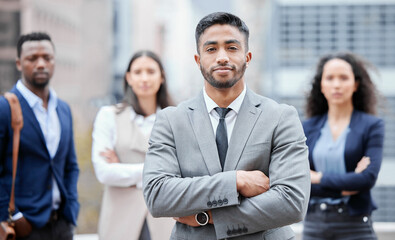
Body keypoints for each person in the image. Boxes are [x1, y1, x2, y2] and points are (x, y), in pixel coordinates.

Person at [143, 12, 311, 240]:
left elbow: (292, 201)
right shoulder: (171, 121)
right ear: (198, 59)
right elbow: (158, 195)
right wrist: (236, 181)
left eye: (232, 48)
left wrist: (207, 217)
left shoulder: (281, 117)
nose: (222, 57)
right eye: (211, 49)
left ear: (248, 57)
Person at [0, 32, 79, 240]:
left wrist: (72, 207)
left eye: (47, 58)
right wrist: (14, 216)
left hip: (61, 224)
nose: (41, 64)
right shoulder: (4, 108)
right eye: (32, 58)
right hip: (23, 228)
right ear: (19, 63)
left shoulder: (63, 109)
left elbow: (70, 165)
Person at [91, 50, 175, 240]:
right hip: (119, 218)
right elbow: (104, 172)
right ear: (128, 77)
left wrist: (123, 169)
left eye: (151, 71)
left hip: (165, 217)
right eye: (137, 72)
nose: (144, 78)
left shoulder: (176, 118)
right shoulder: (108, 115)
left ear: (161, 76)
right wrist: (158, 172)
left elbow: (186, 171)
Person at [302, 52, 385, 240]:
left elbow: (366, 179)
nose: (337, 84)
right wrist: (348, 183)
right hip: (314, 223)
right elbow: (299, 182)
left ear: (355, 84)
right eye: (330, 78)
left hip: (355, 225)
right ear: (321, 85)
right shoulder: (306, 128)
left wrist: (318, 177)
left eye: (344, 78)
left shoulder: (372, 126)